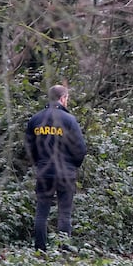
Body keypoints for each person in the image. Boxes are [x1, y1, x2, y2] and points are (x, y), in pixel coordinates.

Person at [25, 85, 87, 251]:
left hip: (44, 171)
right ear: (63, 98)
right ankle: (63, 250)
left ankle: (40, 250)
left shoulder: (35, 120)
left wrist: (40, 163)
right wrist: (73, 165)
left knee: (41, 212)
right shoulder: (69, 120)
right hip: (66, 173)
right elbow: (80, 149)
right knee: (64, 213)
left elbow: (29, 149)